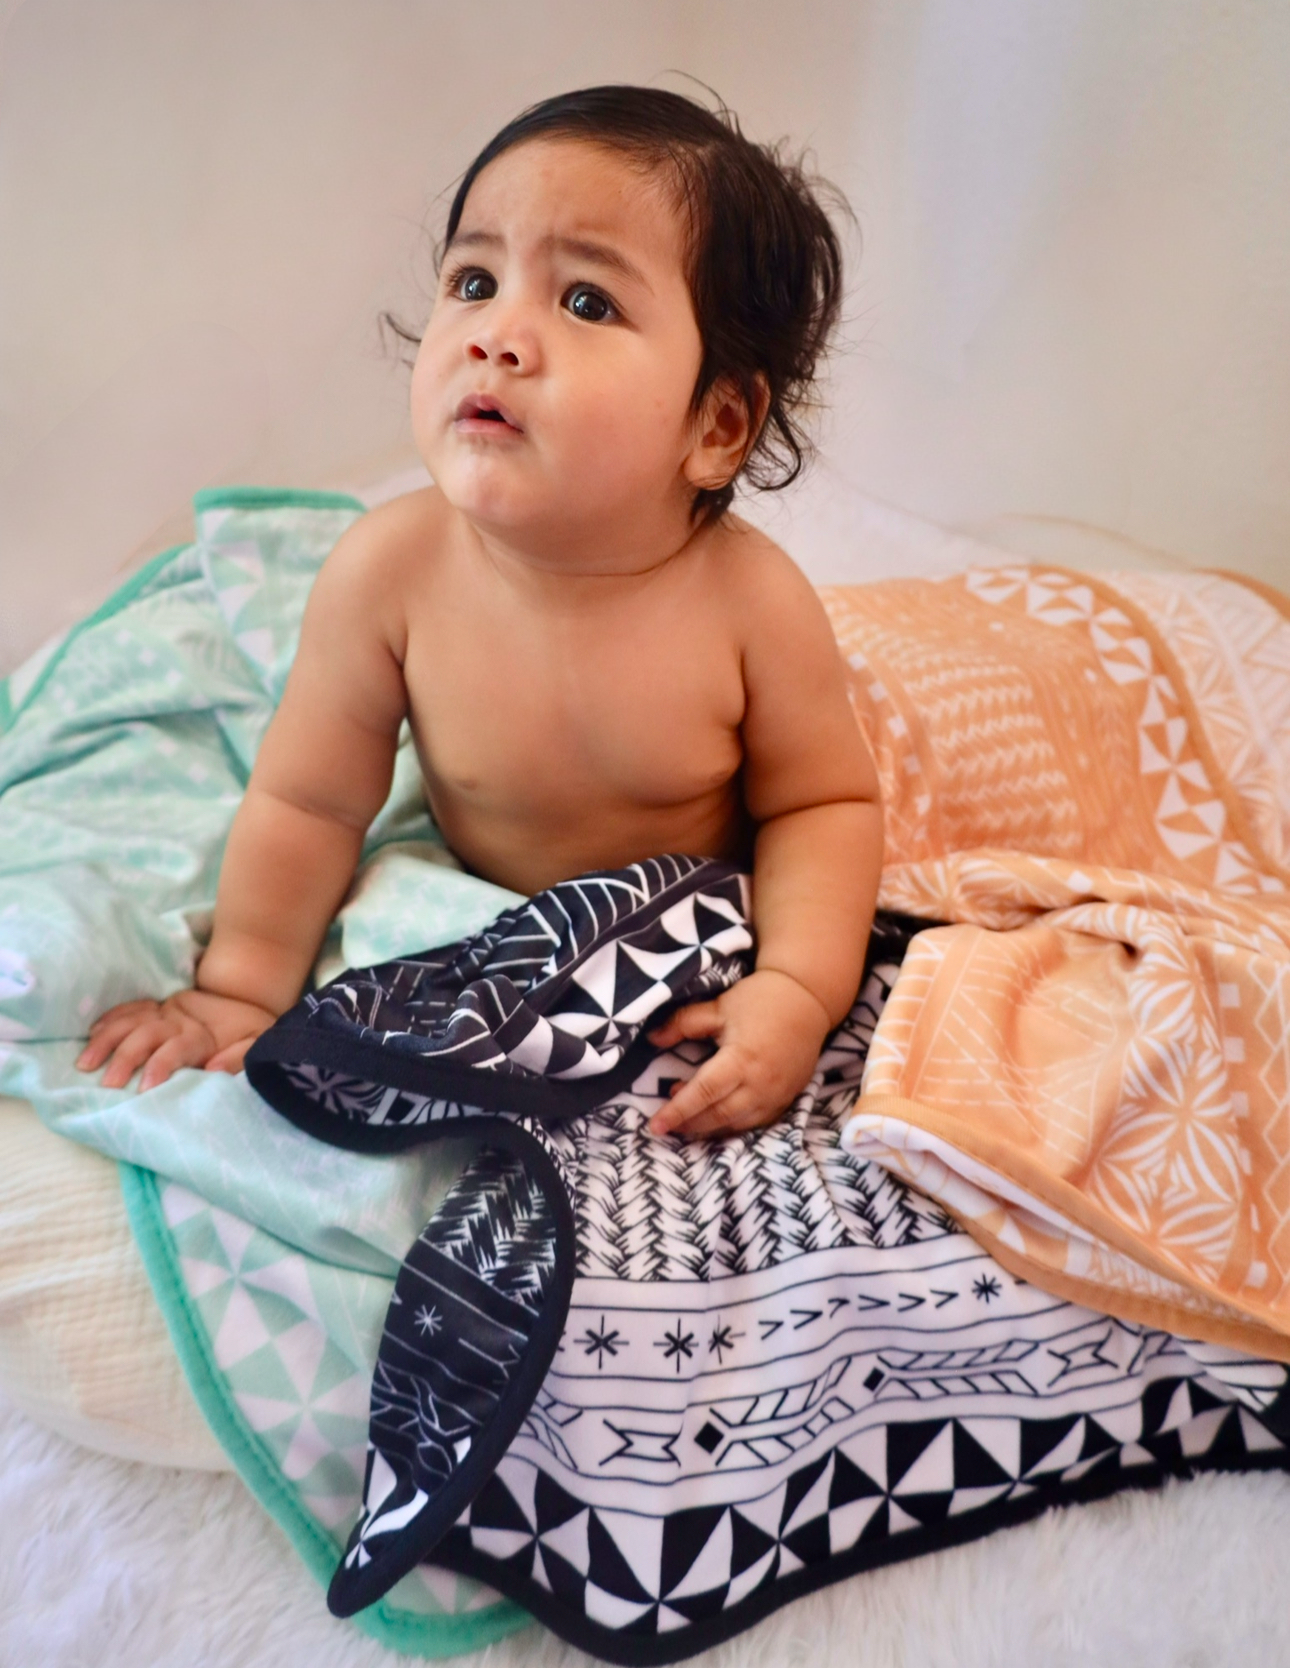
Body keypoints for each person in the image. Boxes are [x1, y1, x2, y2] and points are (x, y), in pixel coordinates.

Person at [76, 85, 882, 1140]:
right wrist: (238, 986)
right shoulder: (388, 574)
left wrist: (798, 989)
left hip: (682, 926)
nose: (497, 335)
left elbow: (822, 806)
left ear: (718, 425)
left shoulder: (752, 604)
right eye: (474, 281)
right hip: (485, 908)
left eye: (586, 301)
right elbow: (309, 803)